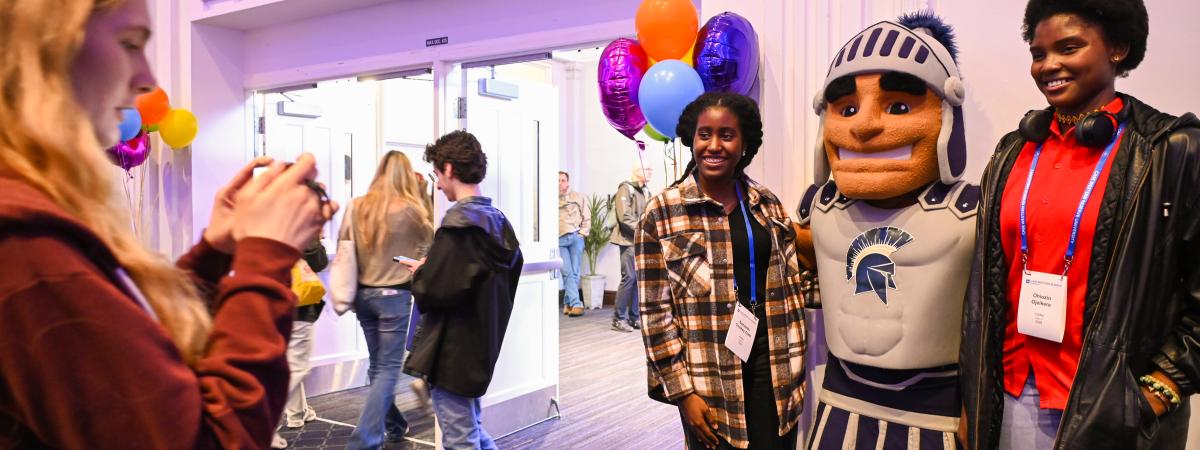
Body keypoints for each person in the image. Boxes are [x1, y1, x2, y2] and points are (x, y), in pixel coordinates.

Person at [0, 0, 337, 447]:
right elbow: (208, 439)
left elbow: (131, 359)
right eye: (128, 44)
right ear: (43, 51)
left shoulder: (37, 214)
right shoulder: (26, 243)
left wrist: (215, 253)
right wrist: (265, 257)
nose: (148, 80)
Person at [959, 1, 1200, 448]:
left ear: (1118, 48)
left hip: (1113, 411)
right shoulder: (1013, 151)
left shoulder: (1171, 150)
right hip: (1010, 396)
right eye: (1038, 53)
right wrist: (974, 399)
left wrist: (1160, 389)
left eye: (1068, 48)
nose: (1048, 65)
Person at [796, 13, 977, 449]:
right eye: (847, 109)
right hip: (840, 399)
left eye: (898, 107)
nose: (864, 126)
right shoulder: (818, 207)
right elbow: (798, 259)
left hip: (935, 409)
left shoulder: (972, 210)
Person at [637, 92, 809, 450]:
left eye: (726, 135)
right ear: (692, 139)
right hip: (709, 371)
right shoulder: (662, 212)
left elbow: (793, 280)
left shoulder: (766, 203)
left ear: (744, 143)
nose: (714, 145)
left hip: (774, 359)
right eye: (704, 134)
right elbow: (655, 313)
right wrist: (682, 392)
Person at [399, 130, 523, 450]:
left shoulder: (458, 228)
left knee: (460, 439)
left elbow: (434, 292)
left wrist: (423, 272)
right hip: (480, 346)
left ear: (450, 169)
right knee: (472, 429)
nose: (437, 184)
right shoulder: (499, 224)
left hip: (452, 353)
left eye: (437, 174)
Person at [338, 151, 434, 449]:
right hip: (394, 296)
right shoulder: (413, 211)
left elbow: (344, 245)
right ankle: (363, 440)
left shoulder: (356, 207)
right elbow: (430, 247)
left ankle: (394, 423)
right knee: (387, 369)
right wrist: (423, 195)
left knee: (378, 366)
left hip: (362, 297)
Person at [271, 237, 330, 449]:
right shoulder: (300, 220)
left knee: (287, 362)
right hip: (297, 303)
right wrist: (315, 238)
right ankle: (266, 422)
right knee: (297, 366)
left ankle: (297, 413)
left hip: (271, 302)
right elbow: (318, 261)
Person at [610, 166, 652, 333]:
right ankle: (618, 319)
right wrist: (643, 231)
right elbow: (624, 217)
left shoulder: (645, 191)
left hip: (640, 241)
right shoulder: (625, 188)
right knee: (629, 278)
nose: (650, 171)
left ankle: (634, 318)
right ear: (637, 170)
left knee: (637, 279)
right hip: (628, 241)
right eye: (647, 169)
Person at [558, 170, 589, 317]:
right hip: (559, 239)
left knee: (575, 272)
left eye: (563, 180)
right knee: (567, 272)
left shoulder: (578, 196)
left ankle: (568, 303)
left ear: (568, 182)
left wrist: (582, 234)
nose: (560, 183)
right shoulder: (548, 198)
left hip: (576, 237)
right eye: (557, 180)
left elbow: (586, 216)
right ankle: (577, 304)